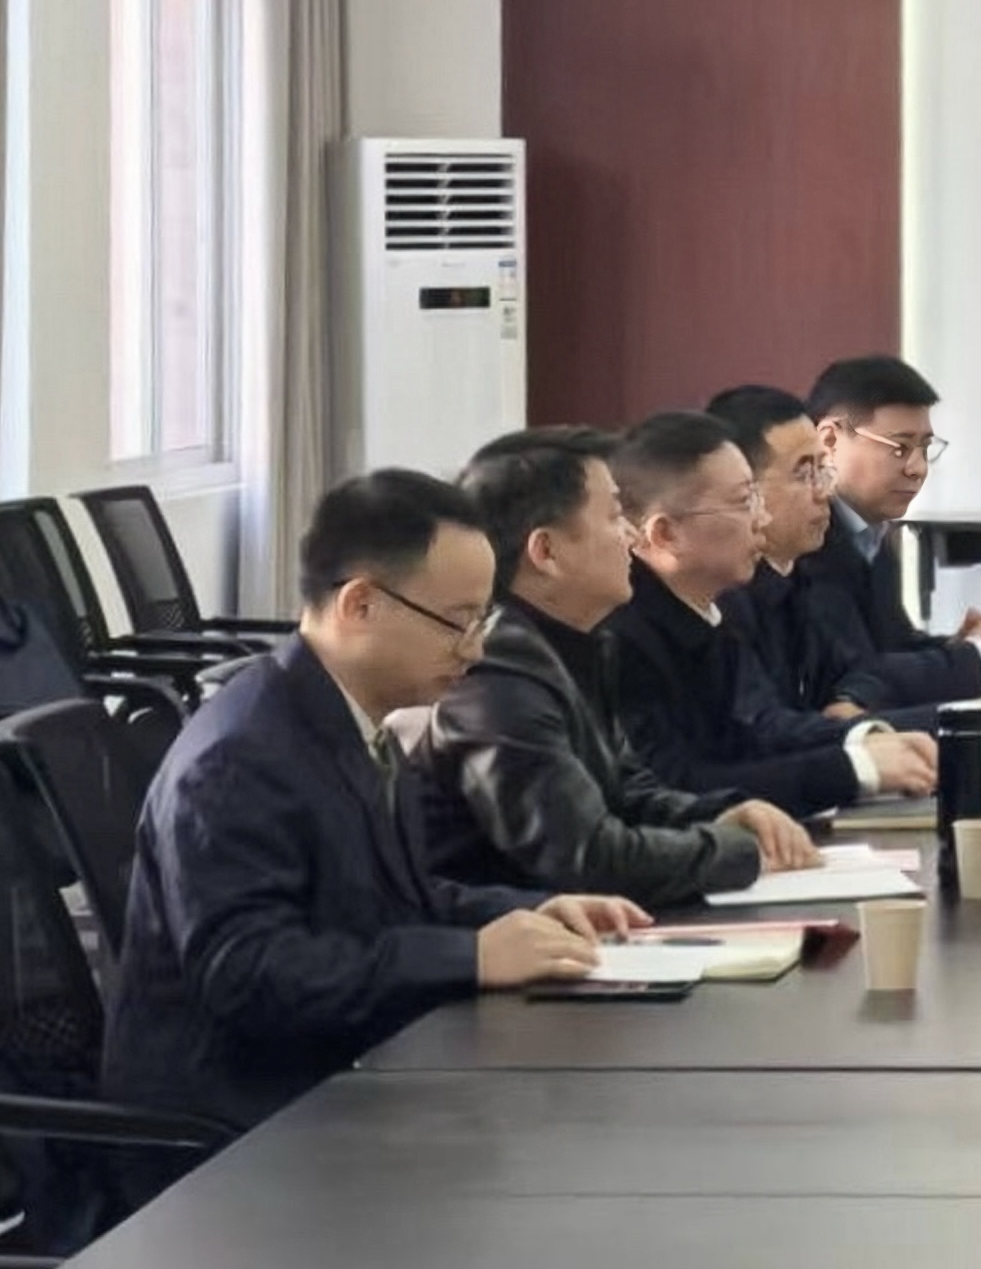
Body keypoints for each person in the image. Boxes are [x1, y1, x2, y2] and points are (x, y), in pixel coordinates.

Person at [102, 472, 639, 1135]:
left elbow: (391, 897)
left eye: (482, 621)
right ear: (360, 604)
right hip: (241, 1124)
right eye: (458, 623)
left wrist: (525, 914)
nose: (475, 650)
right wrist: (471, 957)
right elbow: (249, 974)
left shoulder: (350, 716)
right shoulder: (239, 757)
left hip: (337, 1071)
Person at [416, 427, 818, 909]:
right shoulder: (496, 669)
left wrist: (723, 813)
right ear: (546, 552)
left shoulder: (579, 644)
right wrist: (734, 851)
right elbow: (587, 858)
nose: (630, 535)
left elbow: (628, 792)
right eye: (612, 517)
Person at [601, 411, 938, 820]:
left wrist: (866, 740)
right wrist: (855, 769)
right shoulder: (621, 638)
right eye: (744, 502)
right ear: (665, 534)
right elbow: (674, 786)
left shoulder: (709, 613)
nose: (761, 520)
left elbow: (757, 735)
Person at [708, 385, 981, 752]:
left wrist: (854, 703)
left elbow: (859, 674)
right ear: (743, 491)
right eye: (803, 473)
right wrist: (953, 719)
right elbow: (767, 732)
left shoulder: (794, 578)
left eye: (823, 469)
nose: (825, 492)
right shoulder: (724, 596)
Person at [799, 355, 981, 701]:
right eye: (900, 448)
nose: (918, 468)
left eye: (924, 448)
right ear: (830, 440)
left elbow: (890, 649)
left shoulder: (871, 536)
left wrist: (958, 646)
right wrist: (976, 661)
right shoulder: (805, 542)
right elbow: (848, 679)